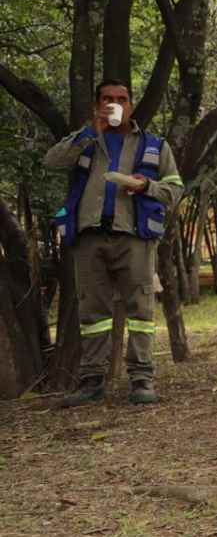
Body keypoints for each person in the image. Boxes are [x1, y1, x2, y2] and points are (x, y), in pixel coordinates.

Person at [44, 79, 184, 407]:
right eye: (107, 99)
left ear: (131, 105)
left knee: (141, 309)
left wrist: (146, 186)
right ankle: (92, 381)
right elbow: (52, 161)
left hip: (134, 238)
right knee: (92, 311)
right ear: (98, 105)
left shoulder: (153, 144)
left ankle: (141, 379)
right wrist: (89, 131)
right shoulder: (87, 140)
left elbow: (176, 189)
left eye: (121, 99)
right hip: (89, 238)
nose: (114, 104)